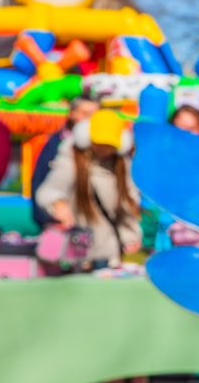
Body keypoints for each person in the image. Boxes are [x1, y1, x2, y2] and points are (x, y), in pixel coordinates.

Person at [35, 110, 141, 268]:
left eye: (109, 145)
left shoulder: (122, 164)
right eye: (99, 142)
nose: (103, 149)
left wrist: (131, 236)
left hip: (111, 250)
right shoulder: (72, 158)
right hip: (79, 249)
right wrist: (57, 203)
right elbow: (48, 190)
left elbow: (128, 206)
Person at [31, 95, 99, 227]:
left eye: (94, 115)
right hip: (61, 221)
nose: (89, 119)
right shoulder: (56, 144)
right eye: (85, 113)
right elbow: (40, 181)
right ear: (72, 113)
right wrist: (47, 218)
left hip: (93, 222)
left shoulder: (104, 147)